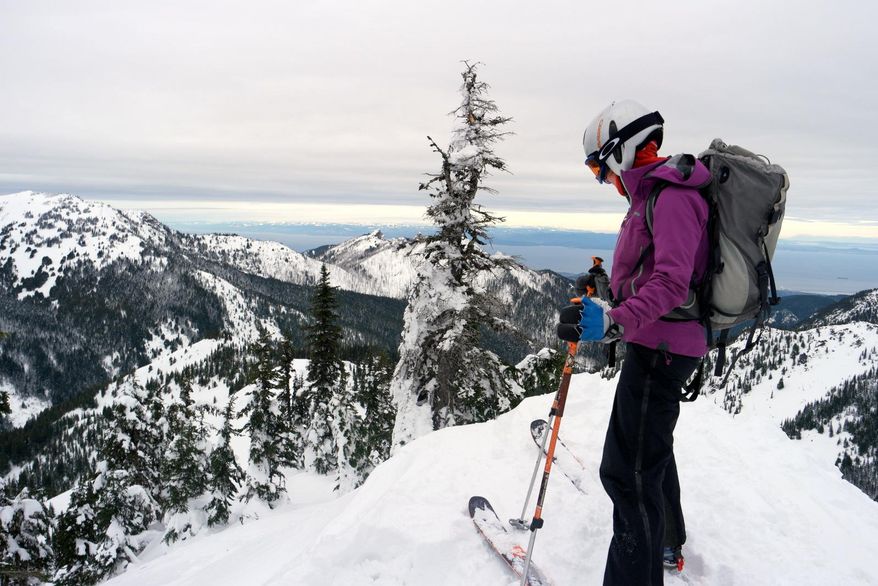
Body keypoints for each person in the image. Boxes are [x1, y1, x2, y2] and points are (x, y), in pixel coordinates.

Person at [556, 99, 710, 585]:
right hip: (660, 342)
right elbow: (646, 274)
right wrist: (605, 296)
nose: (604, 181)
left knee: (627, 475)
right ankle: (666, 541)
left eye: (601, 169)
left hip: (662, 348)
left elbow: (671, 283)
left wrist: (616, 322)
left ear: (621, 151)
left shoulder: (672, 197)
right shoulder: (650, 197)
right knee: (648, 454)